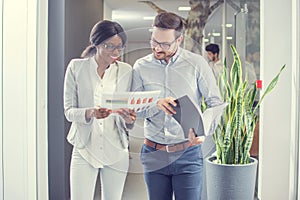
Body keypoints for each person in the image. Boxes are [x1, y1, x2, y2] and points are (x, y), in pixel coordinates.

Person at [131, 12, 223, 200]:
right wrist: (155, 105)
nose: (157, 48)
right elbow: (135, 109)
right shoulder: (140, 66)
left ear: (179, 39)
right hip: (154, 153)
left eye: (164, 44)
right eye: (154, 41)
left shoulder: (196, 64)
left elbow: (215, 102)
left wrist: (204, 131)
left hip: (187, 154)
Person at [63, 20, 136, 200]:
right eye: (110, 46)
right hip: (84, 147)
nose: (115, 52)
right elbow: (69, 111)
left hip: (116, 149)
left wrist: (129, 119)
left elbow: (127, 113)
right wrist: (90, 113)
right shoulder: (76, 67)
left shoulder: (126, 71)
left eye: (120, 47)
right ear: (96, 43)